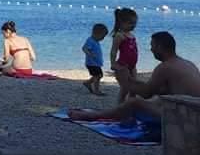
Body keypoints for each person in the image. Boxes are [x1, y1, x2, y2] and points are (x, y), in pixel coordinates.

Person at [69, 31, 200, 123]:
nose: (151, 49)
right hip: (193, 108)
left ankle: (93, 116)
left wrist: (124, 81)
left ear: (160, 47)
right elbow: (160, 90)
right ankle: (113, 113)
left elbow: (146, 93)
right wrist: (130, 81)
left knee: (134, 102)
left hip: (188, 115)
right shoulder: (186, 63)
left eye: (152, 46)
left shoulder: (165, 67)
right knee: (158, 99)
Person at [110, 7, 138, 104]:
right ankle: (120, 106)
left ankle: (131, 105)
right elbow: (113, 51)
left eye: (134, 23)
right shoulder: (119, 35)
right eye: (130, 23)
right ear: (121, 22)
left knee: (134, 88)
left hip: (132, 66)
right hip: (123, 66)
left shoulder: (131, 35)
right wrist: (113, 64)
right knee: (125, 89)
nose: (133, 25)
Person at [82, 23, 109, 96]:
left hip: (96, 63)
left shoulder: (95, 41)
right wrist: (90, 54)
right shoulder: (90, 40)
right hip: (92, 63)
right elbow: (84, 48)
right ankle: (96, 90)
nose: (103, 38)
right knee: (98, 76)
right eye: (102, 36)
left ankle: (88, 83)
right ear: (97, 34)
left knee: (98, 75)